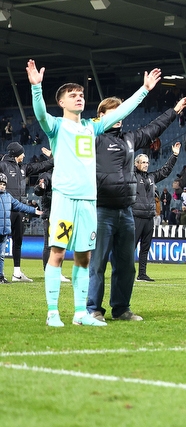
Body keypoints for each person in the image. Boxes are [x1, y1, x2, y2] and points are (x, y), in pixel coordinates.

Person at [28, 59, 158, 327]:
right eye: (72, 95)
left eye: (81, 95)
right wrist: (36, 89)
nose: (79, 98)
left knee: (84, 258)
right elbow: (40, 114)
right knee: (58, 253)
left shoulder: (92, 127)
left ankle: (80, 314)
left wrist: (144, 89)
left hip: (89, 202)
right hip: (65, 199)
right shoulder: (56, 126)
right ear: (61, 102)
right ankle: (52, 312)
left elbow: (120, 111)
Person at [89, 94, 186, 322]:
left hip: (126, 211)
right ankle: (93, 308)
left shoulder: (130, 139)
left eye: (121, 112)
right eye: (113, 112)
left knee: (126, 265)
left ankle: (121, 309)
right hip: (101, 209)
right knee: (97, 263)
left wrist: (174, 110)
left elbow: (154, 128)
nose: (119, 116)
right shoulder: (93, 138)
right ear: (101, 117)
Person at [0, 142, 53, 282]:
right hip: (5, 209)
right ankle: (1, 274)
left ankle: (17, 273)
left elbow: (42, 166)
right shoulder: (3, 165)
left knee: (18, 241)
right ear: (16, 154)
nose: (24, 155)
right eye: (22, 153)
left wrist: (53, 156)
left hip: (19, 209)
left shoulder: (23, 168)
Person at [133, 143, 180, 283]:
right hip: (136, 216)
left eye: (147, 162)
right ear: (136, 164)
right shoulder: (131, 176)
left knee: (145, 248)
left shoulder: (151, 177)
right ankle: (126, 273)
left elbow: (165, 171)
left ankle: (142, 274)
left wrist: (175, 155)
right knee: (131, 247)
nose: (146, 165)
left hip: (149, 217)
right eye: (143, 162)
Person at [0, 172, 42, 283]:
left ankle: (0, 277)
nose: (3, 186)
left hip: (4, 231)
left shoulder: (8, 197)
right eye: (1, 184)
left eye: (4, 184)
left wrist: (34, 211)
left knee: (1, 256)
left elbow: (20, 206)